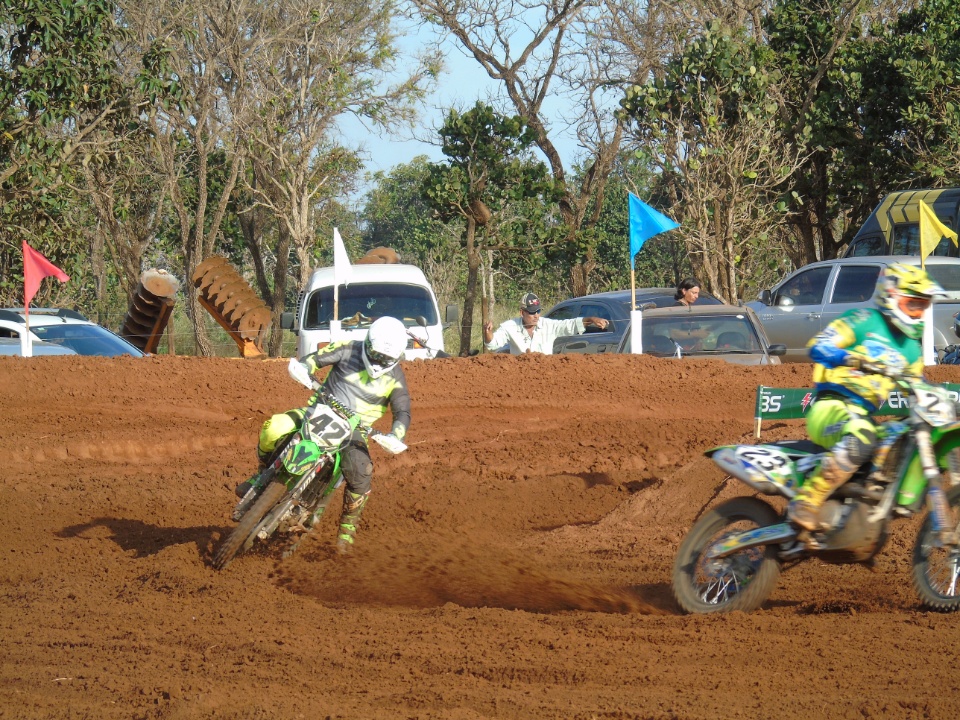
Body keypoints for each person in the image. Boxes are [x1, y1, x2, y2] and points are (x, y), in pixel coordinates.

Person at [787, 263, 943, 533]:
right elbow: (818, 346)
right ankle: (807, 501)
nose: (919, 312)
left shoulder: (911, 350)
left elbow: (916, 385)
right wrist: (851, 358)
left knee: (899, 436)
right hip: (831, 407)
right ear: (891, 296)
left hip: (864, 416)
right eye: (913, 304)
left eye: (923, 306)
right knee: (863, 436)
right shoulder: (862, 319)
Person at [237, 316, 411, 554]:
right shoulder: (348, 348)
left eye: (385, 358)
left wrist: (396, 435)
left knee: (361, 470)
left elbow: (402, 412)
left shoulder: (396, 379)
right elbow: (313, 360)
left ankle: (346, 533)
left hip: (354, 432)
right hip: (318, 410)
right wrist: (304, 369)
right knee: (274, 426)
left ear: (397, 356)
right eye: (375, 353)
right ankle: (259, 477)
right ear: (367, 341)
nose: (378, 360)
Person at [482, 292, 610, 355]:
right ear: (522, 312)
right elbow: (493, 344)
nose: (536, 315)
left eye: (538, 311)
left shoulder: (548, 325)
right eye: (532, 312)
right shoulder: (510, 326)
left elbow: (569, 325)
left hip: (544, 374)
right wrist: (487, 333)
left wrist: (591, 319)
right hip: (520, 376)